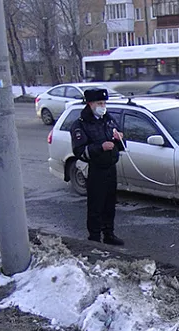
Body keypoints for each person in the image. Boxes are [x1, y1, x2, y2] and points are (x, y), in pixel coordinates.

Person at [70, 89, 125, 245]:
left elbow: (121, 146)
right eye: (100, 103)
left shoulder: (108, 120)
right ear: (90, 104)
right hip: (95, 169)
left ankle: (109, 234)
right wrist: (100, 147)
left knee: (110, 203)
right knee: (96, 205)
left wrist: (119, 139)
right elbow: (80, 151)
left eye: (104, 103)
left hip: (110, 168)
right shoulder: (81, 124)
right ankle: (94, 238)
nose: (103, 106)